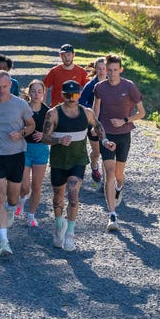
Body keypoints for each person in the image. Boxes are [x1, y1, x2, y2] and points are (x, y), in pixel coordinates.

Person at [0, 70, 36, 257]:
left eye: (4, 87)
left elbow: (31, 125)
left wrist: (21, 134)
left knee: (12, 198)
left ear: (10, 85)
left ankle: (11, 208)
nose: (1, 91)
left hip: (16, 155)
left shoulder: (20, 104)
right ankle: (4, 242)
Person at [43, 79, 102, 252]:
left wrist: (104, 140)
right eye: (67, 95)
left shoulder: (87, 112)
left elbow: (98, 127)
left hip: (78, 161)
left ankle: (70, 233)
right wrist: (59, 140)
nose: (71, 98)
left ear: (79, 94)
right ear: (62, 95)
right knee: (58, 197)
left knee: (74, 195)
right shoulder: (53, 114)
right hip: (58, 162)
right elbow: (45, 137)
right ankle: (58, 226)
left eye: (75, 94)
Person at [92, 54, 146, 233]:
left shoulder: (129, 86)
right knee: (109, 173)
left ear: (120, 70)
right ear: (105, 70)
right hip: (107, 134)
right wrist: (95, 126)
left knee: (118, 174)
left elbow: (142, 113)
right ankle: (112, 215)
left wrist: (124, 120)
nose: (112, 73)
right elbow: (96, 111)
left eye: (116, 70)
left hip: (123, 134)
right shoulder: (100, 87)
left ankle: (119, 187)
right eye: (109, 70)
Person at [16, 80, 50, 228]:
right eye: (33, 91)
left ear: (44, 94)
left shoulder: (48, 112)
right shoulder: (23, 109)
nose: (36, 94)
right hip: (24, 149)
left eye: (39, 92)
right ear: (29, 93)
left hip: (41, 151)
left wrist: (44, 135)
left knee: (36, 185)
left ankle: (31, 216)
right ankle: (21, 200)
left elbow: (53, 133)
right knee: (24, 185)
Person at [78, 56, 107, 185]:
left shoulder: (111, 83)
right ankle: (94, 165)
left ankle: (108, 182)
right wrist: (92, 109)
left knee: (109, 152)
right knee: (97, 152)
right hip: (94, 122)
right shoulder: (90, 85)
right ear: (95, 69)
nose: (101, 71)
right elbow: (80, 102)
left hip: (108, 123)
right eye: (99, 68)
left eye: (104, 68)